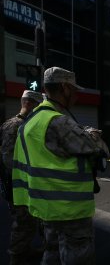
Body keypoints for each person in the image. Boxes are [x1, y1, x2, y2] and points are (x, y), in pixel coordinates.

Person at [11, 66, 109, 265]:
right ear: (64, 87)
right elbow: (101, 151)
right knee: (77, 255)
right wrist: (92, 134)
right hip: (69, 209)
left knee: (52, 250)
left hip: (44, 206)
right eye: (73, 90)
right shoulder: (58, 122)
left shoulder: (31, 120)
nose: (76, 96)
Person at [0, 90, 44, 264]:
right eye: (37, 106)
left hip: (15, 183)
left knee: (26, 221)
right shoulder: (19, 126)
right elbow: (9, 159)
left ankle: (23, 251)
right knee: (24, 222)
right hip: (19, 184)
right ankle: (16, 256)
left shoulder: (11, 123)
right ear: (29, 104)